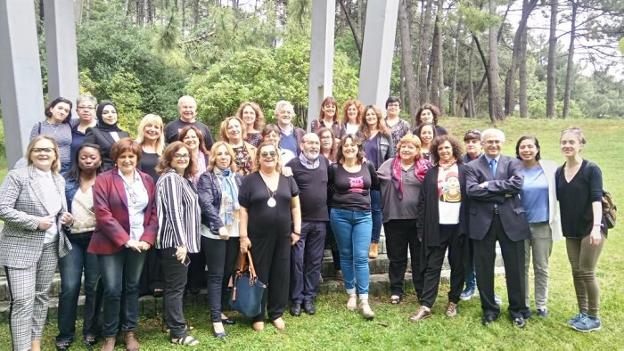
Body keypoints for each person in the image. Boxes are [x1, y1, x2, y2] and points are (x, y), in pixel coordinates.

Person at [0, 136, 73, 351]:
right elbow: (3, 208)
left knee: (41, 297)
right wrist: (34, 222)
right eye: (38, 150)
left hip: (50, 246)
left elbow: (57, 211)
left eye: (48, 150)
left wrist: (65, 218)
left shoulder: (58, 179)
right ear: (31, 153)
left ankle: (35, 343)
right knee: (23, 301)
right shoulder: (18, 176)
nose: (43, 153)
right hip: (20, 247)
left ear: (55, 154)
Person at [88, 138, 158, 351]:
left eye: (131, 156)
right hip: (111, 243)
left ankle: (130, 332)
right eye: (123, 156)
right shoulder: (103, 179)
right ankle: (110, 335)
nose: (127, 160)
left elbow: (154, 212)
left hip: (140, 244)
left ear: (137, 158)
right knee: (112, 289)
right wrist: (126, 240)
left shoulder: (147, 180)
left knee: (132, 287)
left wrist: (147, 238)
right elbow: (102, 214)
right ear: (116, 159)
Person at [465, 128, 531, 328]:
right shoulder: (471, 166)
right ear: (482, 144)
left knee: (516, 268)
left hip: (511, 221)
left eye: (497, 142)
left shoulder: (513, 163)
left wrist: (487, 186)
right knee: (484, 268)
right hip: (482, 223)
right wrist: (503, 191)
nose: (493, 145)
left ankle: (517, 310)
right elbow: (471, 191)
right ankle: (489, 309)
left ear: (502, 143)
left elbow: (517, 186)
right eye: (489, 142)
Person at [239, 142, 301, 331]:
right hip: (257, 237)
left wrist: (297, 230)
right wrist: (243, 236)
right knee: (259, 275)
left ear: (277, 157)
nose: (268, 157)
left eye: (272, 154)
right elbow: (243, 210)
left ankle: (276, 313)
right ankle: (257, 314)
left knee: (280, 274)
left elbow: (295, 206)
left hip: (283, 237)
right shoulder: (250, 181)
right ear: (258, 158)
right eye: (264, 154)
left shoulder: (288, 180)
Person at [410, 135, 468, 321]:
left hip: (459, 227)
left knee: (458, 265)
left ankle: (453, 301)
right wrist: (421, 228)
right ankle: (426, 305)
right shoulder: (431, 173)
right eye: (440, 149)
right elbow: (422, 202)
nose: (444, 151)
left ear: (454, 150)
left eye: (447, 148)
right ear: (436, 152)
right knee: (432, 266)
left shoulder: (465, 171)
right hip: (436, 227)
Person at [555, 128, 605, 332]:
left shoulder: (591, 169)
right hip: (571, 230)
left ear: (580, 145)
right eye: (564, 142)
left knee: (586, 271)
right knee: (576, 272)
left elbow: (596, 199)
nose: (567, 145)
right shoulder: (559, 171)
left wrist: (596, 227)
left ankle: (594, 317)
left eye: (571, 142)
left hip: (590, 229)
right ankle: (583, 312)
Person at [55, 143, 103, 350]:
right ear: (78, 158)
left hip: (97, 239)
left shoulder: (106, 180)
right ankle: (65, 332)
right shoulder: (64, 180)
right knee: (70, 286)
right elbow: (52, 206)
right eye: (84, 157)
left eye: (93, 157)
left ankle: (91, 330)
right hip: (72, 239)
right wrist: (61, 216)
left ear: (100, 160)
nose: (88, 160)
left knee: (93, 285)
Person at [328, 134, 379, 320]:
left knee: (361, 257)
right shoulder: (334, 168)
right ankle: (351, 293)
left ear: (358, 148)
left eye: (352, 145)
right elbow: (328, 190)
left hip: (364, 216)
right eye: (345, 145)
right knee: (346, 255)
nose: (349, 148)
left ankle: (364, 299)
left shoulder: (368, 166)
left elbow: (375, 187)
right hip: (340, 215)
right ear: (341, 149)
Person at [155, 142, 201, 346]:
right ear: (169, 158)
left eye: (186, 155)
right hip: (175, 243)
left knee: (175, 286)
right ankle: (177, 333)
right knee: (176, 288)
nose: (183, 158)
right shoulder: (171, 179)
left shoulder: (182, 179)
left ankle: (172, 323)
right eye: (178, 155)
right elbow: (174, 213)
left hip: (179, 242)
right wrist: (182, 243)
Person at [377, 134, 431, 305]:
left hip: (418, 220)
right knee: (396, 257)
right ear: (399, 148)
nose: (406, 149)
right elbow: (373, 180)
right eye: (403, 146)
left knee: (418, 257)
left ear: (417, 150)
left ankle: (421, 291)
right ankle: (396, 290)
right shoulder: (388, 165)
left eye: (411, 147)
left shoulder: (425, 168)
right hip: (394, 218)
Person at [197, 141, 243, 338]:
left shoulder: (237, 178)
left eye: (227, 154)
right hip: (214, 232)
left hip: (233, 231)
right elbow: (206, 203)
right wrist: (219, 225)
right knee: (216, 275)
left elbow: (244, 204)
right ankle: (215, 319)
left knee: (227, 273)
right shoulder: (206, 178)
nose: (224, 157)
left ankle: (221, 310)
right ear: (213, 157)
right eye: (220, 154)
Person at [516, 135, 562, 318]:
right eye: (522, 147)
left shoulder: (550, 168)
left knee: (541, 266)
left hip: (543, 225)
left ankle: (541, 304)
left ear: (537, 149)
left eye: (530, 146)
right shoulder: (514, 168)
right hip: (519, 226)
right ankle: (524, 303)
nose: (526, 150)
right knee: (522, 267)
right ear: (518, 150)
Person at [287, 133, 330, 316]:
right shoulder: (292, 166)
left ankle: (309, 297)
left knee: (314, 261)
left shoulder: (325, 162)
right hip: (299, 223)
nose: (314, 146)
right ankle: (296, 299)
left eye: (316, 143)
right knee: (297, 261)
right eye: (310, 142)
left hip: (320, 221)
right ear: (302, 145)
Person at [136, 114, 166, 297]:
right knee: (143, 237)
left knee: (158, 240)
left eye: (157, 127)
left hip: (161, 199)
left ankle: (157, 281)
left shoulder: (164, 151)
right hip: (141, 200)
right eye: (149, 126)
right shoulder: (136, 148)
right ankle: (141, 282)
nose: (153, 130)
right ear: (143, 127)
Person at [360, 105, 394, 259]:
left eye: (373, 114)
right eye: (368, 115)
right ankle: (363, 241)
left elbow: (391, 158)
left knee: (376, 210)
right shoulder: (360, 134)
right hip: (360, 177)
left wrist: (387, 176)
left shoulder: (386, 135)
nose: (370, 117)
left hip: (378, 178)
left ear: (378, 116)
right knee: (361, 209)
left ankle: (373, 243)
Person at [460, 129, 482, 301]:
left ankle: (485, 287)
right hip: (465, 212)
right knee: (467, 252)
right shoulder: (461, 162)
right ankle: (470, 285)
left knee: (484, 253)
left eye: (474, 141)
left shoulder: (488, 161)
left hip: (485, 213)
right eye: (468, 141)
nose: (470, 144)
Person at [316, 127, 341, 279]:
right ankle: (316, 269)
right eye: (322, 137)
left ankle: (339, 268)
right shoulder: (313, 157)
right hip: (319, 202)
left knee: (336, 236)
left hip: (336, 201)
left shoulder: (339, 157)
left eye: (328, 137)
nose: (325, 140)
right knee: (320, 238)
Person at [30, 97, 74, 173]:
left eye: (66, 111)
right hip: (46, 166)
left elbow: (88, 120)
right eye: (60, 108)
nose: (62, 112)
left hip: (67, 167)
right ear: (51, 109)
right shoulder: (39, 126)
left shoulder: (70, 124)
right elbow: (32, 148)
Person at [84, 101, 130, 171]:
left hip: (125, 172)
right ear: (99, 115)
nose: (110, 115)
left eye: (113, 112)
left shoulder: (125, 134)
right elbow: (87, 156)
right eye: (105, 113)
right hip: (103, 173)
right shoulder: (93, 132)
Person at [137, 114, 165, 183]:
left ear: (161, 131)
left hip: (162, 191)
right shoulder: (134, 148)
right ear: (142, 128)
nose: (152, 129)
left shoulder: (166, 150)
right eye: (149, 126)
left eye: (156, 127)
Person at [70, 95, 98, 166]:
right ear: (77, 110)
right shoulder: (71, 129)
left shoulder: (101, 128)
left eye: (90, 107)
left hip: (99, 174)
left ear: (95, 110)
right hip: (74, 173)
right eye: (82, 107)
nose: (86, 110)